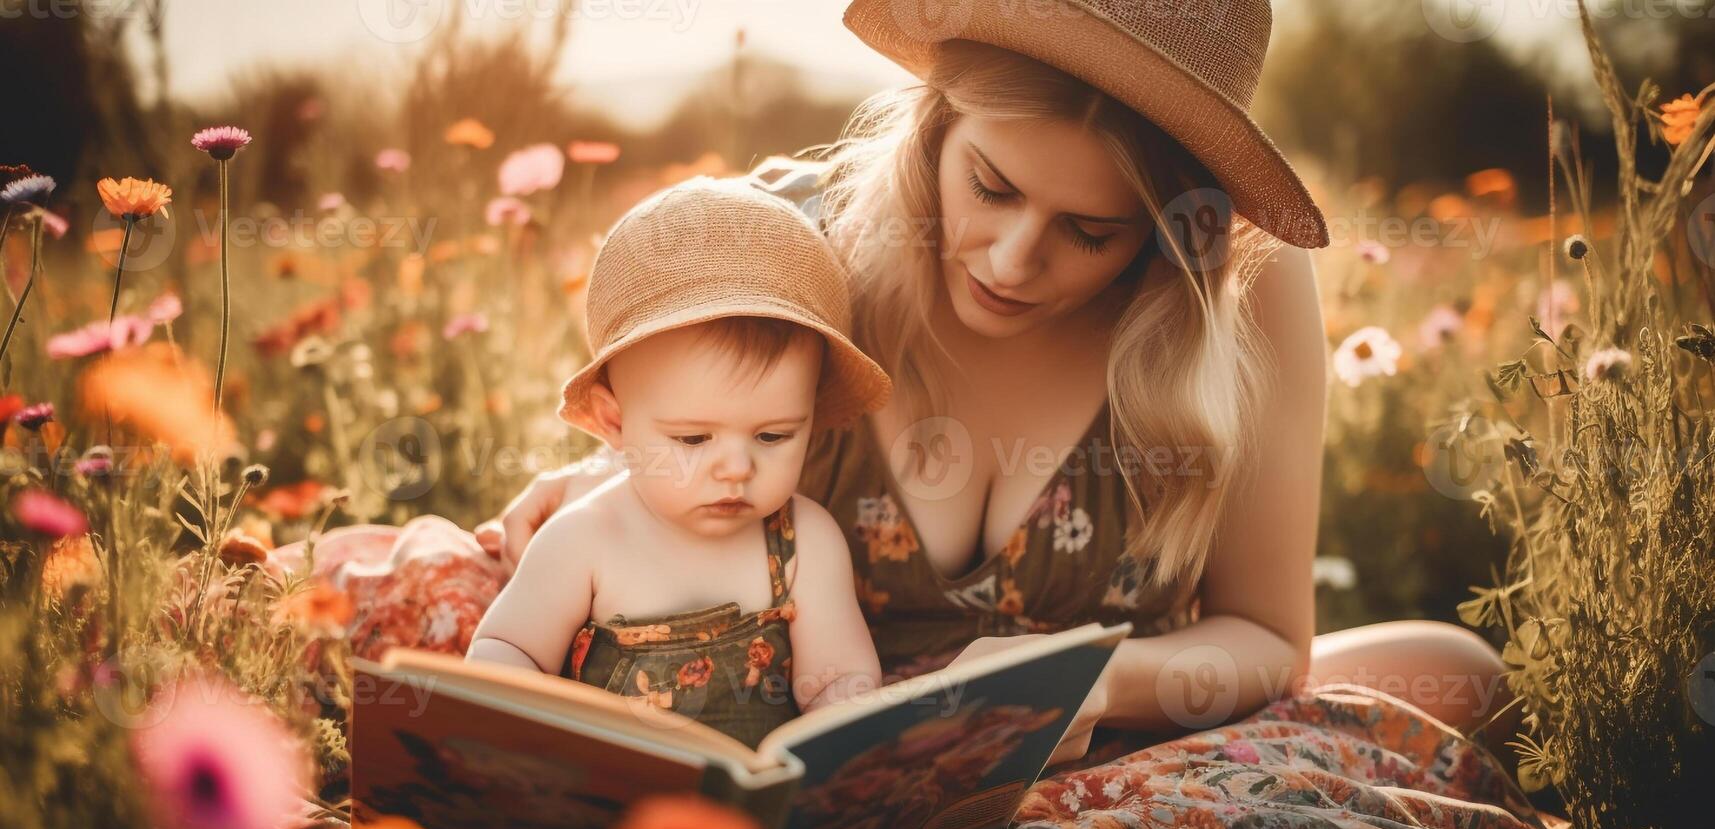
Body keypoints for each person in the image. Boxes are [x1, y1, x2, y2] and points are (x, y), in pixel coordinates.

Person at [475, 0, 1512, 766]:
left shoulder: (1243, 288)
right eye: (990, 186)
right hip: (783, 726)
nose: (1013, 260)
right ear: (935, 121)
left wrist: (1078, 682)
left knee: (1460, 671)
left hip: (1088, 739)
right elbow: (683, 426)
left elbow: (1267, 643)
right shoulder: (788, 242)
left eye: (1089, 230)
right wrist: (610, 486)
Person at [466, 177, 887, 750]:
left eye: (773, 435)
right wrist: (526, 721)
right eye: (692, 439)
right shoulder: (585, 540)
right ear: (615, 425)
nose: (736, 467)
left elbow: (839, 681)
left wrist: (839, 728)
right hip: (604, 790)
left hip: (757, 804)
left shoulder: (802, 542)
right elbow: (506, 649)